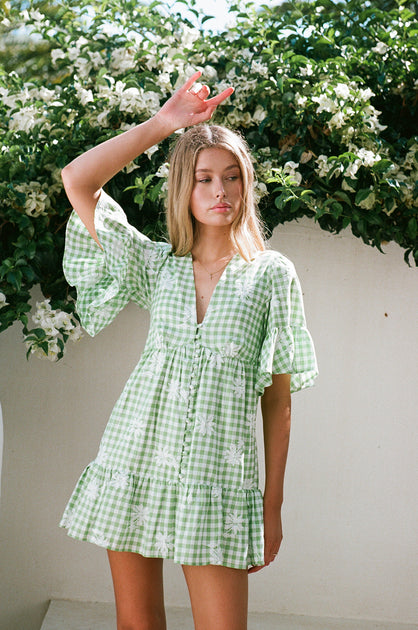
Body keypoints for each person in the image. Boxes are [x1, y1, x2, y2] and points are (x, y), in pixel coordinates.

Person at [60, 70, 318, 630]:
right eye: (204, 179)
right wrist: (163, 123)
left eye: (231, 177)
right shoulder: (156, 266)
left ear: (246, 186)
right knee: (137, 624)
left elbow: (278, 403)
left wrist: (272, 507)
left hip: (216, 480)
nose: (220, 190)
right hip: (134, 463)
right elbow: (78, 180)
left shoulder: (271, 275)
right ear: (185, 188)